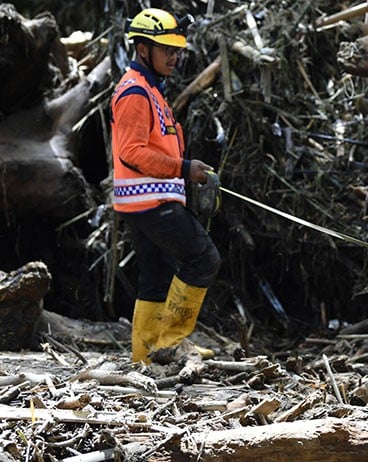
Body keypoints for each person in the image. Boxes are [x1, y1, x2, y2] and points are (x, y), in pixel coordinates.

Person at [110, 8, 221, 363]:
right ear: (143, 50)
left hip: (146, 201)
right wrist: (185, 169)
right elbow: (131, 152)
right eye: (167, 50)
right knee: (203, 258)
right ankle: (171, 345)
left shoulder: (149, 89)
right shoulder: (134, 93)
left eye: (177, 50)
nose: (174, 56)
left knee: (156, 275)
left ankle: (144, 357)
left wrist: (185, 173)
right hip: (151, 203)